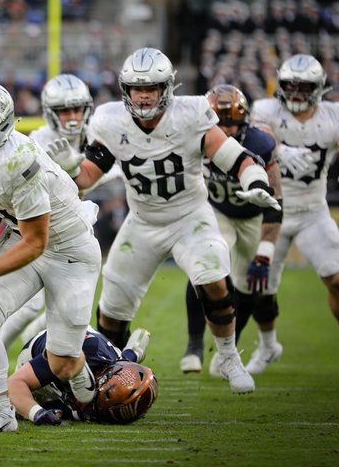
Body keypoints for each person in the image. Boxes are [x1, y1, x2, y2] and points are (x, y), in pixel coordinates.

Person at [49, 48, 280, 394]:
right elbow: (87, 177)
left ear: (167, 88)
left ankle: (228, 357)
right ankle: (109, 372)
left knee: (214, 277)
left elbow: (235, 157)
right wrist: (70, 167)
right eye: (137, 88)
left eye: (151, 88)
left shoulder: (191, 113)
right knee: (111, 309)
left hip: (190, 216)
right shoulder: (110, 121)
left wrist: (256, 181)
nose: (144, 96)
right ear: (126, 90)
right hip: (142, 221)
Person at [0, 80, 103, 433]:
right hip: (21, 236)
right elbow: (1, 210)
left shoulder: (19, 160)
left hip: (69, 251)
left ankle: (81, 372)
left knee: (62, 364)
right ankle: (1, 415)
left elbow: (36, 243)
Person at [251, 53, 339, 374]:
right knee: (260, 286)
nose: (295, 93)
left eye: (303, 87)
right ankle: (267, 346)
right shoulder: (266, 109)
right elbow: (261, 137)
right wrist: (280, 151)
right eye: (289, 85)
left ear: (319, 88)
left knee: (335, 278)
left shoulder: (334, 115)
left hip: (313, 211)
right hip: (273, 211)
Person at [0, 73, 123, 349]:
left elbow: (113, 172)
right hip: (40, 228)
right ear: (50, 112)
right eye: (64, 111)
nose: (72, 116)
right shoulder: (38, 140)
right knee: (31, 305)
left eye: (76, 109)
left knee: (72, 305)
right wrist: (71, 178)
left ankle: (33, 341)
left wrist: (78, 174)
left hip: (77, 231)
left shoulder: (98, 134)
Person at [178, 85, 285, 376]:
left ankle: (229, 351)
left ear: (245, 121)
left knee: (250, 284)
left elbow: (276, 202)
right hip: (217, 211)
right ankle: (194, 346)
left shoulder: (260, 143)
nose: (225, 130)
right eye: (219, 122)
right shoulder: (195, 137)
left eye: (232, 123)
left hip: (252, 217)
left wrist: (266, 252)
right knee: (205, 263)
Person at [8, 325, 150, 426]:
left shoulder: (120, 363)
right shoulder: (70, 359)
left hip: (84, 367)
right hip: (44, 352)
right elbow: (14, 383)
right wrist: (36, 413)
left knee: (71, 409)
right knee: (12, 406)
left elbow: (130, 353)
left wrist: (133, 352)